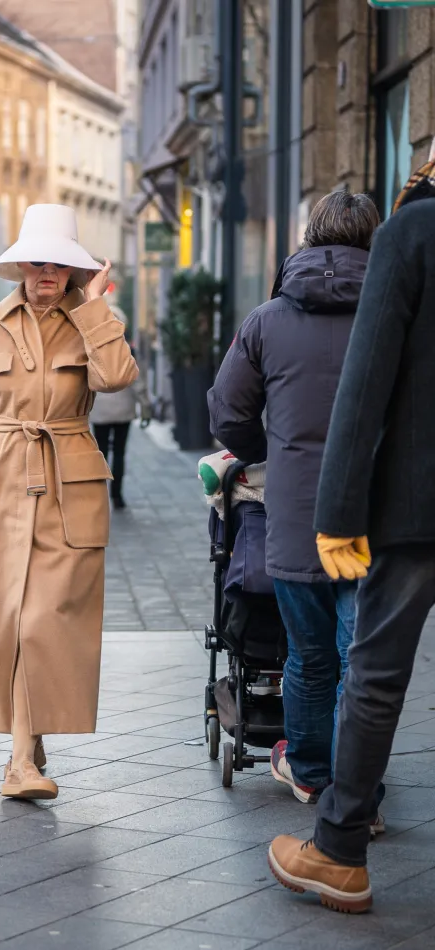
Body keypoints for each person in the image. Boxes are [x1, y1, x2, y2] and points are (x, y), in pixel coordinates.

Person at [0, 203, 137, 800]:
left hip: (69, 494)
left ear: (75, 270)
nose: (47, 273)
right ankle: (23, 755)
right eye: (37, 261)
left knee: (45, 623)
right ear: (19, 264)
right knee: (6, 625)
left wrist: (94, 304)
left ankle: (24, 756)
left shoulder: (93, 318)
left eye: (60, 263)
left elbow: (118, 378)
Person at [268, 161, 435, 913]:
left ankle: (339, 851)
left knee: (373, 675)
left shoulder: (412, 234)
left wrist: (336, 514)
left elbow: (366, 383)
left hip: (417, 506)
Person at [208, 192, 383, 813]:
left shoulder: (265, 320)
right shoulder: (399, 313)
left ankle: (311, 773)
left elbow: (227, 409)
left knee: (309, 658)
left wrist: (270, 450)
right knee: (362, 658)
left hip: (294, 514)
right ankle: (358, 788)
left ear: (310, 238)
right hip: (373, 514)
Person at [91, 326, 151, 509]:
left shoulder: (92, 350)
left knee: (100, 453)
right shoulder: (126, 350)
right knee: (119, 452)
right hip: (123, 408)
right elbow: (137, 381)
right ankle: (117, 496)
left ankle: (99, 495)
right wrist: (145, 407)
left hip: (100, 409)